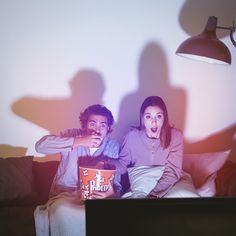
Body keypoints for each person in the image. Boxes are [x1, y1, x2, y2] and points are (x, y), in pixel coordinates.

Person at [34, 104, 121, 236]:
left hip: (95, 199)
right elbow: (40, 147)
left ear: (108, 128)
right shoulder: (71, 135)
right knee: (62, 210)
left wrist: (112, 194)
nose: (97, 130)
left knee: (106, 216)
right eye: (92, 124)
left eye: (102, 125)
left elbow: (117, 184)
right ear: (85, 125)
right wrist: (79, 142)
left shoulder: (112, 146)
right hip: (65, 196)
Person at [110, 96, 199, 198]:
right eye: (148, 117)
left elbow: (172, 172)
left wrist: (153, 195)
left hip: (172, 182)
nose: (154, 122)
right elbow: (122, 165)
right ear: (142, 118)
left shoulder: (175, 136)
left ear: (164, 117)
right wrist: (102, 161)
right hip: (142, 183)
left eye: (159, 116)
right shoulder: (132, 136)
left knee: (187, 197)